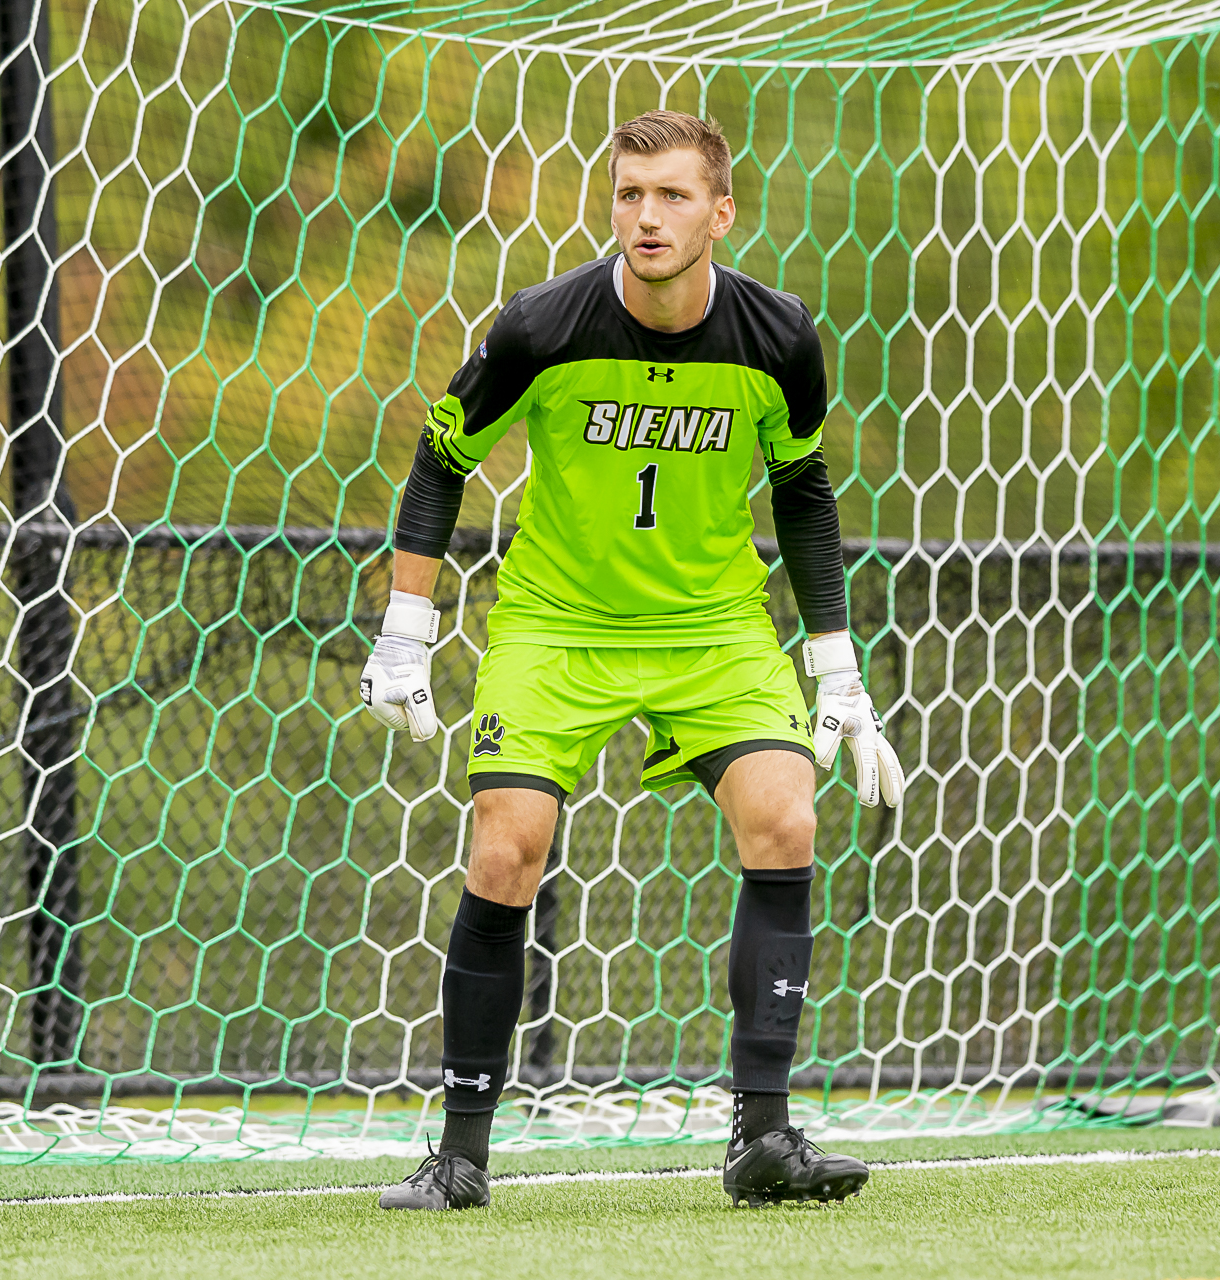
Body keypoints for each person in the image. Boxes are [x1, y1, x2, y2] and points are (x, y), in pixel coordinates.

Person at [359, 109, 905, 1211]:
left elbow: (802, 490)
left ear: (721, 212)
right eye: (628, 195)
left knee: (787, 818)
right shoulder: (540, 324)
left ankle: (762, 1136)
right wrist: (405, 628)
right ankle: (461, 1152)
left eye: (670, 195)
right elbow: (440, 454)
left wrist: (837, 672)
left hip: (712, 629)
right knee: (507, 847)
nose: (646, 216)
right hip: (557, 625)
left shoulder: (780, 335)